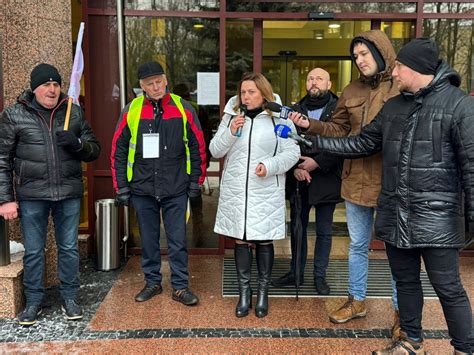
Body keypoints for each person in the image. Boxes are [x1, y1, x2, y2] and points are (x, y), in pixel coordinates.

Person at [293, 37, 474, 355]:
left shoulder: (459, 106)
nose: (395, 71)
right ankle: (411, 343)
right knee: (405, 282)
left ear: (415, 68)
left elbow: (471, 167)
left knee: (448, 289)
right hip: (395, 212)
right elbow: (361, 143)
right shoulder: (395, 106)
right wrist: (317, 144)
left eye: (400, 66)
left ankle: (465, 348)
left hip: (437, 219)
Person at [289, 30, 400, 334]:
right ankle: (357, 299)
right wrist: (309, 124)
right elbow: (337, 129)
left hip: (391, 183)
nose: (359, 60)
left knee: (397, 251)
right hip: (354, 181)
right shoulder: (351, 90)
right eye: (356, 56)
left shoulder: (400, 87)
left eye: (364, 54)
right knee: (358, 245)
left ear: (379, 53)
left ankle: (402, 312)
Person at [0, 63, 101, 325]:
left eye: (56, 84)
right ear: (35, 88)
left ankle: (69, 297)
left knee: (68, 248)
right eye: (46, 84)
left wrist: (77, 144)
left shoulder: (73, 112)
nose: (52, 89)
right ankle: (34, 301)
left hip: (67, 193)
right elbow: (2, 160)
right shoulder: (14, 115)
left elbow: (94, 150)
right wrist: (6, 199)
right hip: (32, 195)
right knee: (34, 250)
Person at [111, 61, 206, 306]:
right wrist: (121, 185)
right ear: (142, 87)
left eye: (159, 82)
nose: (156, 87)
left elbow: (197, 146)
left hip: (176, 187)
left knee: (177, 240)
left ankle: (180, 287)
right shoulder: (131, 110)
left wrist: (196, 180)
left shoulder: (183, 108)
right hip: (142, 187)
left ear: (166, 80)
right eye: (150, 84)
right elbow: (118, 149)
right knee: (149, 239)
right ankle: (152, 282)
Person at [210, 72, 300, 318]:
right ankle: (244, 293)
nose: (246, 97)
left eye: (251, 92)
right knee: (240, 240)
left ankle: (262, 293)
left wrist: (269, 166)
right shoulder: (231, 115)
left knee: (263, 240)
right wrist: (230, 131)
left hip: (266, 189)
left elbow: (292, 152)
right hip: (237, 190)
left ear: (263, 93)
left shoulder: (278, 117)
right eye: (243, 92)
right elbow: (215, 150)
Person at [272, 68, 343, 295]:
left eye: (319, 79)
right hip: (299, 178)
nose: (314, 82)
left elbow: (343, 142)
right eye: (310, 78)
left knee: (324, 231)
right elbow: (282, 141)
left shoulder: (339, 110)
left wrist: (317, 162)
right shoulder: (295, 110)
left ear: (329, 84)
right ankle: (296, 273)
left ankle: (319, 276)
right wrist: (296, 167)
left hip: (326, 177)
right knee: (297, 228)